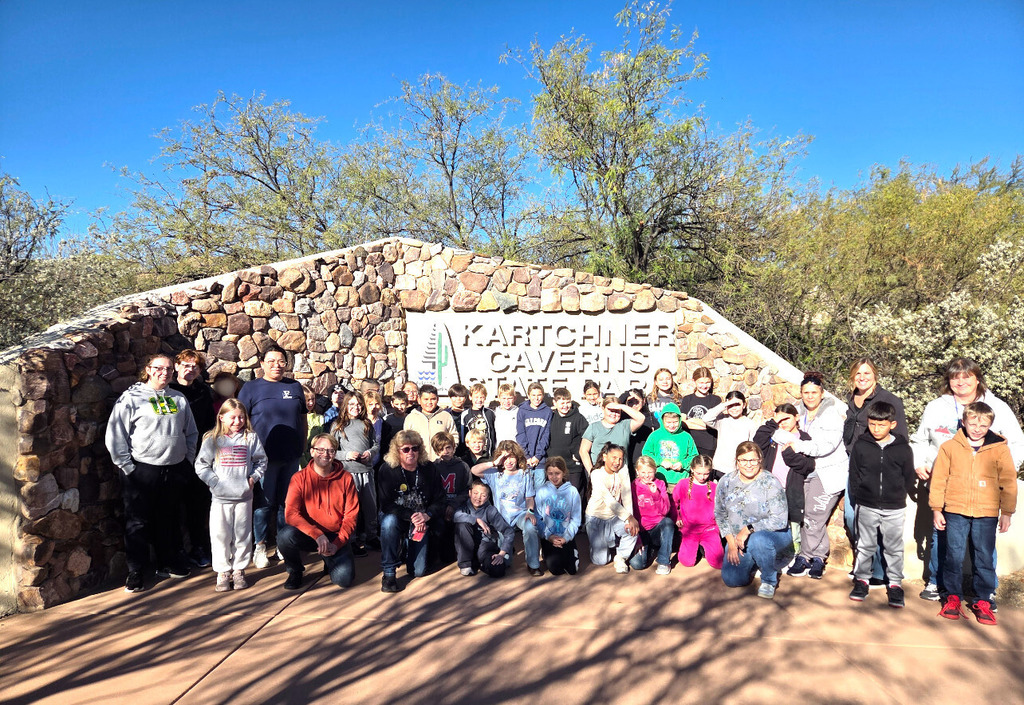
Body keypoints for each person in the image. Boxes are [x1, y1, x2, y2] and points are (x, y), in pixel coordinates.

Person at [911, 357, 1024, 603]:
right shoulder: (936, 407)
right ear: (949, 381)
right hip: (945, 485)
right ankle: (936, 582)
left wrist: (1004, 471)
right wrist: (919, 462)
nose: (960, 382)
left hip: (983, 490)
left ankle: (986, 590)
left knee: (983, 543)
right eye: (955, 377)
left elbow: (1016, 442)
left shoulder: (997, 407)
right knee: (941, 535)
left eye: (966, 376)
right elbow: (920, 439)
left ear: (977, 378)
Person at [105, 353, 199, 592]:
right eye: (158, 368)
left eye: (168, 369)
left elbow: (191, 433)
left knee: (167, 517)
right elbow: (116, 435)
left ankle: (166, 563)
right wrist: (128, 467)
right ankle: (136, 570)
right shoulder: (131, 398)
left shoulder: (178, 398)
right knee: (137, 521)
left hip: (174, 469)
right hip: (141, 469)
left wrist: (186, 460)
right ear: (148, 370)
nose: (164, 372)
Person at [931, 402, 1017, 625]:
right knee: (954, 556)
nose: (978, 428)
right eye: (973, 423)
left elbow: (1008, 482)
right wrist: (937, 509)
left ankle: (984, 600)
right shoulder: (949, 447)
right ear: (964, 422)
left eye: (984, 424)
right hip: (955, 511)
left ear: (990, 424)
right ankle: (952, 597)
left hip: (986, 513)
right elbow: (939, 479)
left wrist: (1006, 512)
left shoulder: (999, 449)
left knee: (984, 558)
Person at [237, 346, 307, 570]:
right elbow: (240, 420)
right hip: (262, 458)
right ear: (262, 363)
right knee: (264, 504)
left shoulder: (294, 387)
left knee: (286, 504)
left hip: (290, 456)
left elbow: (302, 419)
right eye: (271, 361)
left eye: (281, 361)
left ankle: (281, 545)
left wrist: (302, 445)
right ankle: (260, 545)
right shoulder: (251, 388)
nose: (276, 365)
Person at [842, 357, 909, 586]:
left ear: (875, 375)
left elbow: (901, 437)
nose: (862, 378)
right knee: (853, 515)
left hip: (879, 465)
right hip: (854, 462)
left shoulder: (889, 400)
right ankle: (865, 563)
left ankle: (879, 572)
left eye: (867, 374)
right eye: (858, 374)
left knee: (876, 518)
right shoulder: (852, 399)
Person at [194, 399, 267, 592]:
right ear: (221, 417)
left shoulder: (250, 438)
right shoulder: (213, 439)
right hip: (220, 498)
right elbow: (201, 465)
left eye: (241, 417)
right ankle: (223, 571)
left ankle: (239, 570)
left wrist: (252, 479)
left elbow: (261, 461)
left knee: (242, 535)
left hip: (244, 497)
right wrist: (214, 482)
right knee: (220, 535)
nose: (237, 421)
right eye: (232, 417)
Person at [847, 401, 916, 607]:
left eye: (882, 425)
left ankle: (895, 584)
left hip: (894, 507)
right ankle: (861, 581)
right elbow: (855, 474)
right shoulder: (861, 445)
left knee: (893, 547)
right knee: (865, 545)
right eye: (873, 424)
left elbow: (908, 475)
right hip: (866, 505)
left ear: (892, 424)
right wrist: (861, 496)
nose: (876, 429)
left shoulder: (903, 448)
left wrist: (897, 494)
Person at [785, 372, 849, 581]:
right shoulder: (799, 412)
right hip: (806, 471)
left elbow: (827, 444)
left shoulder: (832, 414)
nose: (810, 396)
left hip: (828, 472)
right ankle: (814, 557)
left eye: (814, 392)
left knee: (814, 515)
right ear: (801, 393)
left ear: (822, 393)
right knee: (807, 515)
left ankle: (809, 555)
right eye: (806, 392)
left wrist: (800, 446)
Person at [278, 433, 360, 590]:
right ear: (312, 451)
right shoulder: (299, 478)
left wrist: (337, 544)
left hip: (335, 535)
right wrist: (317, 534)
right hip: (309, 534)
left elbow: (351, 516)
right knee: (284, 536)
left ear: (335, 453)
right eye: (321, 450)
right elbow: (291, 514)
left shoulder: (346, 478)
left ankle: (328, 559)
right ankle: (295, 570)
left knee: (344, 580)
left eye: (330, 450)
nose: (326, 454)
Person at [715, 442, 792, 599]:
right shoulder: (726, 481)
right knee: (732, 579)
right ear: (737, 461)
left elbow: (780, 520)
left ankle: (769, 579)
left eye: (753, 460)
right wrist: (730, 543)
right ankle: (759, 560)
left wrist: (749, 528)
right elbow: (720, 513)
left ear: (760, 460)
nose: (748, 465)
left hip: (773, 535)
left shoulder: (770, 482)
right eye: (743, 460)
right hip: (739, 540)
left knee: (759, 540)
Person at [377, 430, 445, 592]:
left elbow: (440, 499)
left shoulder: (429, 469)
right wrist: (411, 516)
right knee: (388, 522)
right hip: (398, 516)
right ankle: (389, 574)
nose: (411, 453)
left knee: (418, 571)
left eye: (415, 448)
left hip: (422, 519)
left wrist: (426, 515)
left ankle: (407, 546)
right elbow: (386, 504)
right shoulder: (387, 470)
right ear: (396, 450)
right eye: (405, 449)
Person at [169, 349, 216, 568]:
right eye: (186, 365)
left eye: (195, 366)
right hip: (172, 457)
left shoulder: (203, 392)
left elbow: (209, 424)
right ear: (176, 366)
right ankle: (175, 552)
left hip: (198, 456)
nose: (190, 369)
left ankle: (199, 548)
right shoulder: (167, 391)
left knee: (198, 505)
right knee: (172, 506)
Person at [471, 440, 543, 576]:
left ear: (517, 457)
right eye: (504, 458)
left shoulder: (524, 473)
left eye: (511, 457)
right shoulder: (494, 474)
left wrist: (530, 511)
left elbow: (529, 497)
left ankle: (533, 564)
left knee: (530, 526)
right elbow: (474, 470)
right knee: (506, 563)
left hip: (521, 514)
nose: (508, 461)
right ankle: (509, 551)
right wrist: (493, 463)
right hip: (502, 519)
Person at [752, 404, 815, 551]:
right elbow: (757, 442)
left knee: (792, 526)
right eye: (779, 420)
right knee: (767, 524)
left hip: (792, 489)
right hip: (769, 490)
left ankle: (793, 554)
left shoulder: (804, 439)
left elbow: (808, 465)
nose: (783, 423)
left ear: (797, 417)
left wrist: (790, 455)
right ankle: (769, 555)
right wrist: (773, 423)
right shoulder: (773, 436)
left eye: (786, 418)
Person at [332, 391, 379, 556]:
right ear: (345, 406)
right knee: (351, 509)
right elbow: (331, 451)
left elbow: (375, 445)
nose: (355, 407)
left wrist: (370, 453)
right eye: (351, 404)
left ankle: (371, 536)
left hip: (367, 472)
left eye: (358, 404)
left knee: (371, 507)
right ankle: (350, 540)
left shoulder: (367, 424)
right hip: (348, 474)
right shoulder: (338, 426)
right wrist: (346, 455)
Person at [585, 444, 639, 573]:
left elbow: (626, 496)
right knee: (601, 560)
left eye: (620, 459)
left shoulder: (623, 470)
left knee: (632, 530)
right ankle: (599, 544)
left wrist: (629, 519)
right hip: (595, 518)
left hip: (615, 517)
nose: (617, 462)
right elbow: (609, 500)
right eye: (614, 458)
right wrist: (628, 517)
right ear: (604, 457)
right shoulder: (596, 474)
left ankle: (620, 557)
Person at [453, 481, 514, 578]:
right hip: (467, 546)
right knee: (461, 525)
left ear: (488, 498)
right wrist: (476, 520)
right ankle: (466, 564)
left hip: (484, 546)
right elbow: (456, 516)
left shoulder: (491, 510)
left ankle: (481, 564)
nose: (478, 498)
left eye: (483, 495)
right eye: (475, 493)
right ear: (470, 493)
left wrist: (501, 554)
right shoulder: (464, 506)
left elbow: (508, 532)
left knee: (498, 570)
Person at [535, 457, 582, 576]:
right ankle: (545, 551)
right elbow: (538, 518)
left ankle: (570, 551)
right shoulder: (541, 491)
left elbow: (576, 519)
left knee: (572, 570)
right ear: (546, 473)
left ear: (564, 473)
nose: (554, 477)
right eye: (550, 473)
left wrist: (567, 537)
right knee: (556, 569)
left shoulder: (572, 491)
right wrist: (549, 536)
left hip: (566, 536)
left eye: (557, 473)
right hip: (549, 536)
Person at [674, 455, 723, 570]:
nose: (702, 477)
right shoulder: (683, 484)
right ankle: (696, 548)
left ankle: (703, 548)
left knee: (718, 563)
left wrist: (718, 527)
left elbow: (721, 509)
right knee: (687, 562)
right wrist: (677, 517)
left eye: (706, 474)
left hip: (709, 529)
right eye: (698, 473)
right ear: (692, 469)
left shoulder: (714, 487)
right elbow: (674, 503)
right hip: (690, 529)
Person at [629, 455, 676, 574]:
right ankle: (651, 550)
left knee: (668, 523)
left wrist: (655, 495)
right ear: (637, 471)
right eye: (643, 472)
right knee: (636, 564)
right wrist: (638, 539)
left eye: (650, 472)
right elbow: (632, 514)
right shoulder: (633, 486)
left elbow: (665, 511)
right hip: (642, 530)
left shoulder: (660, 484)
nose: (646, 475)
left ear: (655, 471)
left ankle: (664, 561)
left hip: (657, 528)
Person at [433, 430, 472, 564]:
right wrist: (444, 507)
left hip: (458, 505)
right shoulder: (434, 467)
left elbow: (468, 489)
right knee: (439, 526)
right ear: (436, 452)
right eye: (441, 449)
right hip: (441, 507)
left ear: (453, 447)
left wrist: (454, 504)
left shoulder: (462, 466)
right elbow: (432, 492)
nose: (445, 451)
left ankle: (466, 557)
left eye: (448, 447)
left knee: (463, 522)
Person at [579, 396, 646, 473]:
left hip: (620, 473)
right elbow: (583, 451)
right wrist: (591, 472)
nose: (614, 414)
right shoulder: (594, 427)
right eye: (610, 410)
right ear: (603, 409)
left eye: (617, 411)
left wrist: (620, 406)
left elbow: (641, 418)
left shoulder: (625, 425)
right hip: (599, 472)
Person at [641, 403, 698, 492]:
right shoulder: (655, 435)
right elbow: (646, 453)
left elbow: (694, 456)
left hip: (680, 480)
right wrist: (660, 461)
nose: (672, 425)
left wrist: (682, 464)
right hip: (659, 479)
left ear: (679, 420)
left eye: (675, 422)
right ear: (662, 421)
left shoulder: (686, 436)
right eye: (668, 422)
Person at [546, 388, 590, 498]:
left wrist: (577, 454)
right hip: (555, 466)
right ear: (554, 403)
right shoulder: (550, 417)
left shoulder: (578, 418)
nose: (565, 406)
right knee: (555, 498)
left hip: (573, 467)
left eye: (568, 402)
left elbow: (587, 437)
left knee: (574, 497)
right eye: (562, 403)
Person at [704, 391, 758, 478]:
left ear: (744, 405)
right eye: (731, 405)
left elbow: (752, 447)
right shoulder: (722, 420)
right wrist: (724, 405)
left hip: (738, 469)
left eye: (737, 404)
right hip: (719, 468)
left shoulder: (750, 424)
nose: (734, 408)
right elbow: (706, 418)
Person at [403, 384, 457, 461]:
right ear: (419, 399)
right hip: (419, 462)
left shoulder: (445, 416)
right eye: (426, 399)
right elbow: (406, 441)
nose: (429, 402)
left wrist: (449, 453)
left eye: (433, 399)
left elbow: (454, 436)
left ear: (437, 399)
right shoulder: (411, 417)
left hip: (442, 462)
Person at [678, 367, 722, 459]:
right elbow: (682, 422)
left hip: (709, 445)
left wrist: (691, 420)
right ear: (694, 381)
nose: (704, 386)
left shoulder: (715, 400)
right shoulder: (687, 399)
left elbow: (714, 424)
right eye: (701, 382)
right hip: (690, 444)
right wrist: (704, 423)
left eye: (707, 382)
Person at [517, 382, 553, 487]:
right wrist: (527, 456)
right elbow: (520, 434)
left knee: (540, 492)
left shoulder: (547, 411)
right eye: (533, 395)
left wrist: (538, 456)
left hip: (540, 461)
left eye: (539, 395)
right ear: (528, 395)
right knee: (526, 491)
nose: (536, 398)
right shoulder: (522, 410)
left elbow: (546, 435)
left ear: (543, 395)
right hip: (525, 460)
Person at [461, 383, 496, 457]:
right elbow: (463, 436)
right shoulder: (465, 415)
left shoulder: (490, 413)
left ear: (485, 398)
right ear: (470, 397)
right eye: (476, 397)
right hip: (472, 455)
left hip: (489, 454)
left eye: (481, 397)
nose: (479, 400)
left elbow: (494, 433)